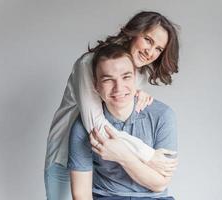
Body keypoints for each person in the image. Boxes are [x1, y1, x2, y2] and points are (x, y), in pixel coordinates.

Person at [44, 11, 179, 200]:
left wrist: (139, 95)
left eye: (158, 49)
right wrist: (148, 155)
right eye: (148, 40)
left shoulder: (139, 73)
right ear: (134, 32)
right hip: (67, 152)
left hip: (100, 158)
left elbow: (118, 110)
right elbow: (97, 127)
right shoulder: (89, 64)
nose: (151, 52)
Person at [68, 44, 177, 199]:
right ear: (96, 86)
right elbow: (81, 194)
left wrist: (122, 156)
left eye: (126, 77)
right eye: (108, 80)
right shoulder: (84, 126)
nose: (118, 88)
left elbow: (159, 183)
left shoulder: (163, 115)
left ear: (135, 78)